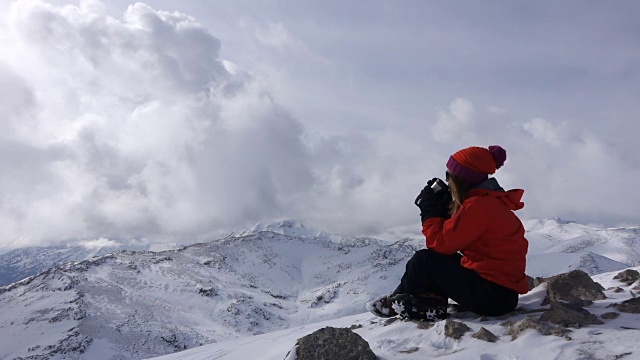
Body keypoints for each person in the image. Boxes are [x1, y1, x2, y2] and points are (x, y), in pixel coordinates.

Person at [367, 145, 529, 321]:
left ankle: (397, 304)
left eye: (449, 175)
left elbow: (439, 244)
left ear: (461, 179)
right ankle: (427, 302)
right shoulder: (488, 202)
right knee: (438, 261)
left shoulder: (478, 206)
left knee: (424, 261)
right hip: (500, 294)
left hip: (492, 297)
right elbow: (454, 240)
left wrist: (430, 211)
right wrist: (446, 212)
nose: (448, 180)